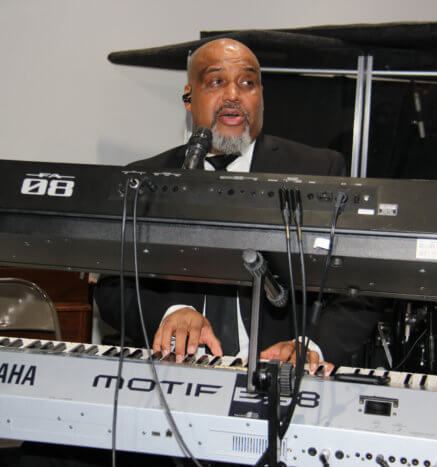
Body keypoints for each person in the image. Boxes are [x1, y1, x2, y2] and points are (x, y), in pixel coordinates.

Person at [95, 38, 379, 372]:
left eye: (247, 83)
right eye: (216, 82)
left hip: (284, 378)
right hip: (171, 370)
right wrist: (171, 313)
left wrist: (311, 346)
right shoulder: (142, 178)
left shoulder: (318, 170)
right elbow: (113, 286)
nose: (233, 95)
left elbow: (361, 288)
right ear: (189, 97)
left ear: (261, 97)